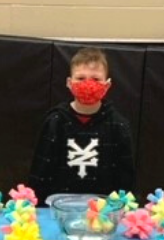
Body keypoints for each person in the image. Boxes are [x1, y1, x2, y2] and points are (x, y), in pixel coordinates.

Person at [28, 47, 135, 204]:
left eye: (96, 79)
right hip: (58, 204)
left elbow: (125, 176)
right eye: (80, 78)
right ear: (69, 83)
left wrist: (120, 206)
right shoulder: (55, 121)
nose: (88, 84)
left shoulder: (119, 125)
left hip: (103, 208)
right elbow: (40, 171)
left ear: (107, 85)